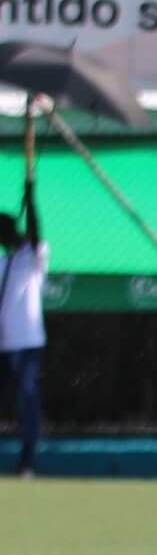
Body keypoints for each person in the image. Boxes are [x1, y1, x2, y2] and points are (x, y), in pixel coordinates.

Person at [0, 158, 44, 477]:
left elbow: (36, 232)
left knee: (27, 400)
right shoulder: (2, 263)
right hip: (4, 345)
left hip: (27, 343)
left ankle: (27, 462)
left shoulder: (32, 258)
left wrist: (30, 198)